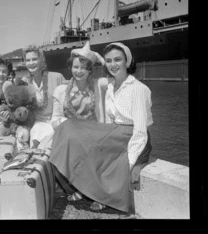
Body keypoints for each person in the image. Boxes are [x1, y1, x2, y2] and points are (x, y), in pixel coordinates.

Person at [49, 42, 153, 214]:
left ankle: (101, 196)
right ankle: (80, 186)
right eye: (109, 60)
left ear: (128, 61)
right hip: (114, 131)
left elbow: (141, 131)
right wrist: (98, 58)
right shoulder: (112, 86)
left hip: (131, 135)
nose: (113, 64)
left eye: (118, 60)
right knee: (68, 128)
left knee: (101, 155)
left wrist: (131, 160)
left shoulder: (138, 89)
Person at [22, 45, 66, 149]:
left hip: (57, 122)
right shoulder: (24, 83)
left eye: (34, 59)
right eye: (28, 60)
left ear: (42, 60)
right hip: (37, 124)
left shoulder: (57, 77)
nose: (31, 63)